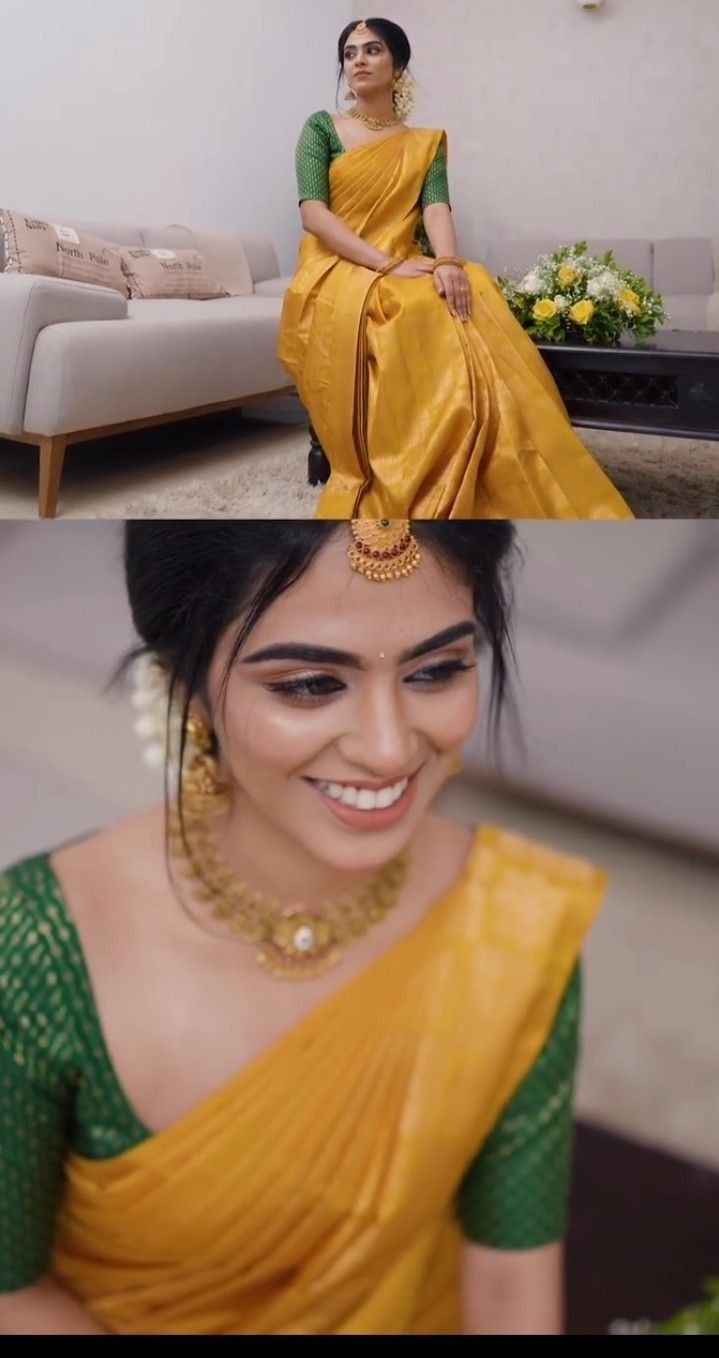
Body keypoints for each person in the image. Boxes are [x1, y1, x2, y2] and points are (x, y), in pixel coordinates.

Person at [0, 520, 606, 1336]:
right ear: (187, 690)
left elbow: (509, 1289)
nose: (390, 749)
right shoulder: (37, 946)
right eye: (310, 685)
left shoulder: (513, 927)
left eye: (435, 670)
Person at [278, 18, 634, 522]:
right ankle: (412, 459)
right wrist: (384, 264)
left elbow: (436, 208)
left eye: (372, 50)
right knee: (404, 307)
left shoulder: (426, 142)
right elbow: (313, 212)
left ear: (397, 65)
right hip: (337, 263)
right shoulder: (320, 128)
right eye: (350, 52)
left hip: (403, 256)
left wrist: (447, 262)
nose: (358, 59)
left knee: (471, 287)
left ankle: (490, 450)